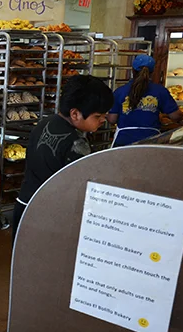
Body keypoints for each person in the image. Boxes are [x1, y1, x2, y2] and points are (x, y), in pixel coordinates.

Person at [13, 74, 114, 236]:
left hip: (25, 205)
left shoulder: (43, 123)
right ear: (75, 114)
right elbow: (81, 189)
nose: (104, 120)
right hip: (50, 215)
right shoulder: (77, 143)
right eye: (98, 116)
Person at [107, 55, 183, 147]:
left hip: (124, 141)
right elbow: (176, 116)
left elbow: (112, 119)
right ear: (152, 72)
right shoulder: (160, 91)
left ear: (133, 70)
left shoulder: (120, 91)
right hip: (151, 141)